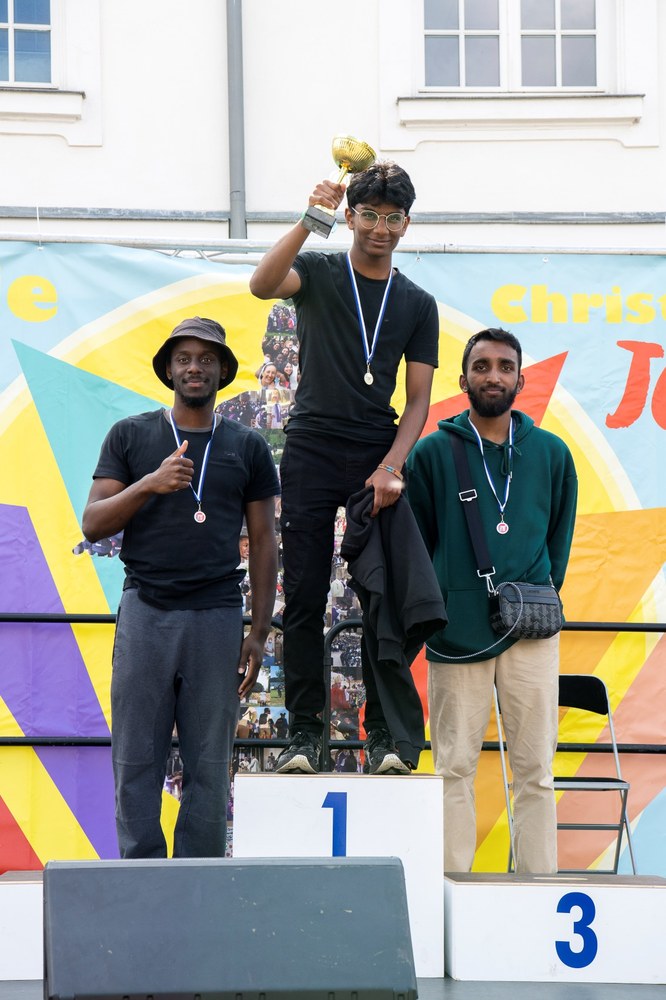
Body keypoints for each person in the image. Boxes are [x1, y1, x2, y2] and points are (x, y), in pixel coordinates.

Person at [250, 161, 439, 775]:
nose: (380, 228)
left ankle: (383, 736)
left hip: (374, 455)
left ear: (406, 224)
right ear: (351, 217)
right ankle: (305, 736)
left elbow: (417, 401)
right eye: (370, 216)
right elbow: (261, 284)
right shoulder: (320, 271)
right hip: (310, 447)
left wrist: (391, 466)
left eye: (392, 218)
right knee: (304, 594)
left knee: (380, 596)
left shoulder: (417, 303)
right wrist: (312, 219)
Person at [81, 316, 279, 858]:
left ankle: (200, 879)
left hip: (217, 615)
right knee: (135, 759)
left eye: (207, 359)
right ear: (168, 369)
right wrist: (149, 483)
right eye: (185, 358)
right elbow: (93, 523)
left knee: (209, 764)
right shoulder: (130, 435)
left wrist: (259, 632)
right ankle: (141, 876)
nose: (196, 367)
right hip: (146, 611)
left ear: (222, 371)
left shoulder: (248, 446)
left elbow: (265, 542)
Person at [406, 328, 578, 873]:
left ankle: (538, 889)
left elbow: (559, 539)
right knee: (453, 767)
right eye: (481, 366)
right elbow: (421, 540)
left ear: (521, 381)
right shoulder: (433, 452)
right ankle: (451, 889)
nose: (494, 376)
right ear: (463, 380)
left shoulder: (551, 454)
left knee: (536, 770)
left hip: (531, 629)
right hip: (456, 629)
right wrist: (449, 598)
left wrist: (536, 596)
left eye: (505, 366)